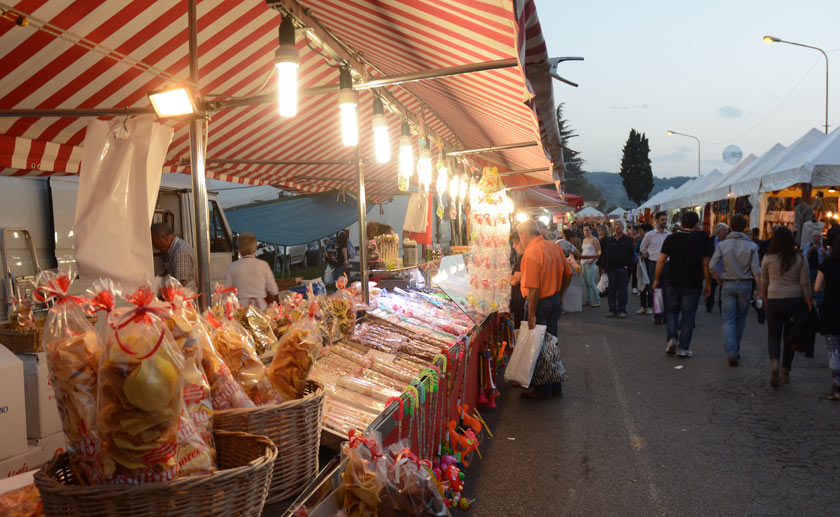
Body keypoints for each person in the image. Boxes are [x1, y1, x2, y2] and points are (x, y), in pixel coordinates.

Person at [518, 219, 572, 399]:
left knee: (538, 346)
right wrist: (560, 294)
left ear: (524, 234)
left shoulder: (531, 252)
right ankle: (556, 386)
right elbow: (568, 273)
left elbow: (533, 288)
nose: (521, 240)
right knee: (551, 344)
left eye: (520, 236)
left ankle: (543, 390)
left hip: (539, 304)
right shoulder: (554, 247)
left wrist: (531, 314)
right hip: (554, 300)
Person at [654, 211, 712, 358]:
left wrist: (656, 279)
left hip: (673, 280)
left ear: (682, 223)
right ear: (696, 223)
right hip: (693, 282)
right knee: (688, 315)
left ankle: (672, 338)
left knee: (672, 311)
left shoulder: (671, 238)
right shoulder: (701, 239)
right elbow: (705, 263)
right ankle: (684, 348)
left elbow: (661, 260)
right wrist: (708, 283)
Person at [761, 226, 812, 387]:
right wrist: (809, 302)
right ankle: (785, 370)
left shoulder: (768, 258)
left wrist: (764, 295)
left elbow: (764, 281)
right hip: (794, 301)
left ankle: (774, 362)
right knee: (790, 336)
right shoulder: (800, 258)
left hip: (774, 299)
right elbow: (805, 283)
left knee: (773, 336)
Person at [709, 214, 761, 366]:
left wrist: (718, 279)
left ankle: (731, 350)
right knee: (740, 319)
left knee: (728, 319)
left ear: (731, 226)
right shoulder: (751, 246)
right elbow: (756, 270)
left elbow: (712, 265)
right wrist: (760, 288)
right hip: (745, 284)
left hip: (728, 283)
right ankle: (736, 349)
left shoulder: (723, 245)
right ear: (745, 227)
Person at [813, 236, 840, 400]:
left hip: (830, 308)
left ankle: (837, 383)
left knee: (833, 348)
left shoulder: (827, 264)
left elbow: (817, 287)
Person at [223, 232, 279, 310]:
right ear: (256, 248)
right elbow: (273, 290)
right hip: (261, 308)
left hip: (240, 309)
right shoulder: (263, 265)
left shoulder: (233, 266)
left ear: (239, 249)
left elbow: (225, 291)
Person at [640, 211, 671, 323]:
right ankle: (658, 314)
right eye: (662, 219)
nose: (664, 222)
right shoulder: (650, 235)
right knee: (656, 290)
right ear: (656, 221)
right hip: (653, 264)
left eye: (665, 220)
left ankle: (667, 315)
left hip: (667, 265)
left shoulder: (669, 235)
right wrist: (649, 253)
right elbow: (642, 248)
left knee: (667, 290)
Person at [151, 222, 197, 291]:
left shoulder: (180, 253)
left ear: (165, 238)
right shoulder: (175, 249)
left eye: (156, 244)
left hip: (187, 298)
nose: (156, 248)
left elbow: (179, 286)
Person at [604, 219, 634, 318]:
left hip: (623, 269)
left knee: (623, 291)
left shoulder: (628, 240)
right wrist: (605, 268)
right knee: (611, 290)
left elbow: (631, 255)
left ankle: (622, 310)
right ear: (613, 227)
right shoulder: (609, 240)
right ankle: (612, 310)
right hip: (612, 270)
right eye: (616, 225)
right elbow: (606, 254)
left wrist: (628, 267)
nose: (618, 226)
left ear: (623, 226)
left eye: (620, 225)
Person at [705, 222, 730, 312]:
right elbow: (707, 254)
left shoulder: (728, 241)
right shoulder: (711, 240)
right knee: (711, 288)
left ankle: (721, 307)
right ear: (718, 231)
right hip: (713, 270)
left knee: (722, 291)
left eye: (727, 230)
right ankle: (709, 305)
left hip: (724, 269)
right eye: (724, 230)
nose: (726, 232)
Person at [580, 225, 602, 308]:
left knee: (591, 282)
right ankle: (588, 300)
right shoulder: (584, 240)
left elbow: (599, 252)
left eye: (587, 230)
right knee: (586, 282)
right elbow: (584, 251)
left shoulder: (594, 239)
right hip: (583, 263)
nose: (586, 232)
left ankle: (597, 300)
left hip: (591, 263)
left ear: (591, 230)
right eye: (584, 230)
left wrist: (592, 260)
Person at [803, 230, 827, 303]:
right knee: (810, 283)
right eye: (815, 236)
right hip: (811, 267)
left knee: (820, 285)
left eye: (818, 236)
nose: (816, 238)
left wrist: (825, 253)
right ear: (813, 238)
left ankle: (819, 300)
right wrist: (810, 250)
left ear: (820, 238)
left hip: (820, 268)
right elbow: (805, 256)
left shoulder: (824, 247)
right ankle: (809, 300)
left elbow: (828, 258)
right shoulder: (808, 245)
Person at [509, 232, 526, 328]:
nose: (514, 247)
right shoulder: (522, 257)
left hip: (521, 301)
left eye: (516, 243)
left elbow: (515, 280)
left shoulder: (524, 258)